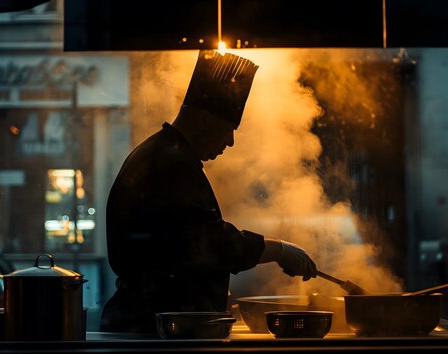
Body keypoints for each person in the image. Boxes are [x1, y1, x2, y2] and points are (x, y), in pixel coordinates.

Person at [100, 50, 317, 333]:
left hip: (153, 323)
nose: (231, 142)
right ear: (203, 120)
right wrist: (278, 249)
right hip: (154, 329)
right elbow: (210, 244)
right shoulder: (170, 163)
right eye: (229, 129)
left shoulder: (164, 153)